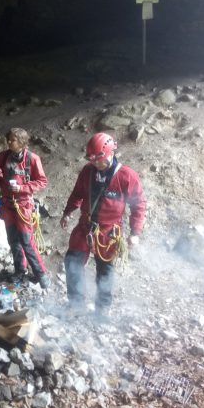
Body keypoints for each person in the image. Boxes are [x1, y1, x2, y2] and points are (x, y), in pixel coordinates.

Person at [60, 132, 146, 319]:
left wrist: (135, 232)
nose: (96, 164)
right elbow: (77, 194)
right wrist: (68, 212)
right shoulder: (88, 171)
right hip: (85, 225)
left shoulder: (126, 176)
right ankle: (76, 303)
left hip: (108, 231)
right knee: (72, 261)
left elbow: (138, 204)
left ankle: (103, 307)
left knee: (105, 269)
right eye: (92, 160)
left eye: (99, 159)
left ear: (110, 153)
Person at [0, 128, 51, 289]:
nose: (9, 142)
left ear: (22, 142)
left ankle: (40, 274)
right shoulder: (3, 157)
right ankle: (19, 270)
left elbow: (42, 181)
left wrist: (23, 188)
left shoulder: (32, 159)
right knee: (13, 239)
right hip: (8, 204)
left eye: (12, 140)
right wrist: (1, 181)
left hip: (23, 205)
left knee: (26, 241)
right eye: (8, 140)